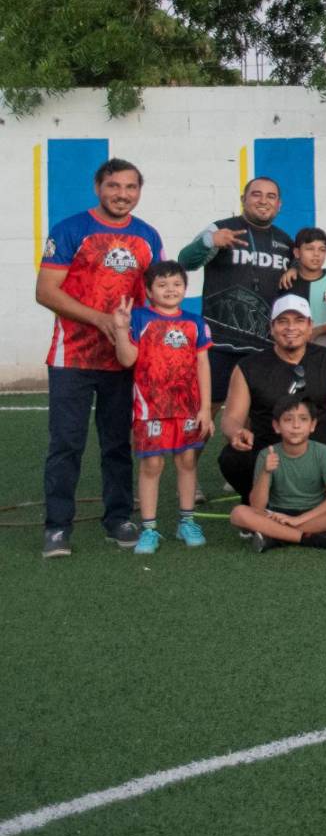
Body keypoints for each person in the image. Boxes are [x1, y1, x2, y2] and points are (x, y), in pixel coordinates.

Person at [38, 158, 160, 556]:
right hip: (71, 358)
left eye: (130, 187)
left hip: (122, 361)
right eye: (114, 186)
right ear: (98, 187)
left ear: (139, 191)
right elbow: (46, 291)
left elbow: (155, 298)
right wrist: (101, 320)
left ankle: (119, 518)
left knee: (117, 445)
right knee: (66, 445)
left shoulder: (148, 237)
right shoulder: (71, 229)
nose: (122, 194)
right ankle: (57, 527)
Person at [111, 260, 212, 554]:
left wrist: (205, 408)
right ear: (149, 290)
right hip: (150, 410)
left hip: (188, 409)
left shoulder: (195, 322)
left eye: (177, 284)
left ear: (185, 287)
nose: (171, 290)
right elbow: (127, 360)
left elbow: (203, 364)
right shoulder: (139, 318)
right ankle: (150, 528)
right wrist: (119, 329)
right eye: (163, 285)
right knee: (152, 464)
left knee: (187, 462)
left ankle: (187, 522)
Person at [216, 296, 326, 499]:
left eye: (299, 320)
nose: (291, 327)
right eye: (283, 321)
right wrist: (236, 432)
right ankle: (257, 503)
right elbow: (231, 417)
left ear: (310, 326)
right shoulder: (249, 366)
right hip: (269, 459)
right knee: (232, 458)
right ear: (272, 327)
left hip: (318, 458)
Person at [177, 176, 292, 399]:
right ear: (243, 199)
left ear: (279, 204)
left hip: (265, 346)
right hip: (219, 344)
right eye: (256, 194)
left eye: (271, 196)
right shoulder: (220, 229)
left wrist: (295, 266)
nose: (263, 201)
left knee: (257, 415)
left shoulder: (286, 241)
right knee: (205, 411)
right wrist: (210, 242)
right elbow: (185, 261)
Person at [227, 395, 326, 551]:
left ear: (313, 425)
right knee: (238, 513)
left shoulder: (324, 452)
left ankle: (276, 536)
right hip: (277, 515)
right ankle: (307, 538)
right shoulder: (266, 454)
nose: (296, 425)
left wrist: (298, 520)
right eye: (288, 420)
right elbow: (257, 505)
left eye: (303, 419)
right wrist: (266, 472)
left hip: (315, 513)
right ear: (276, 426)